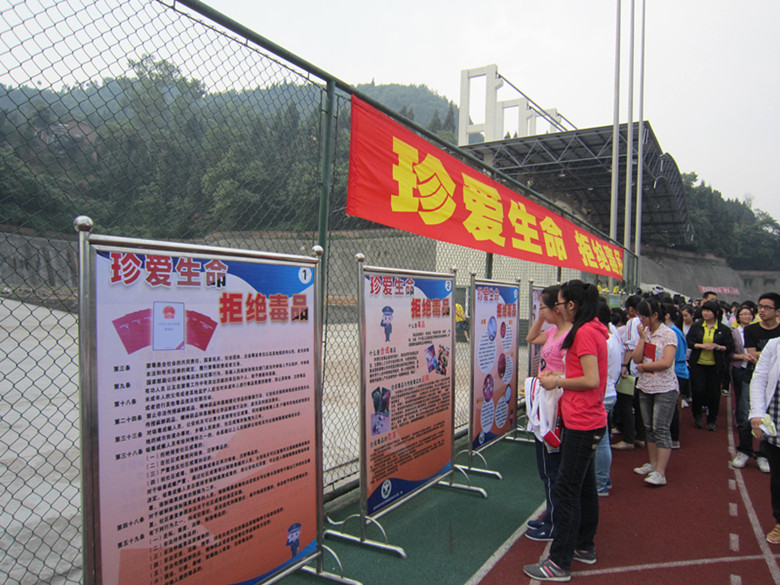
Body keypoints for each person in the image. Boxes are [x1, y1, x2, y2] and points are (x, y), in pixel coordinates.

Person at [523, 280, 608, 582]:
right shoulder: (592, 329)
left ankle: (559, 562)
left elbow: (591, 379)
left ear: (571, 305)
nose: (555, 309)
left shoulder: (583, 333)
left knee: (567, 488)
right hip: (587, 418)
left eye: (557, 304)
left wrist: (557, 381)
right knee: (583, 486)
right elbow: (583, 373)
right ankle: (584, 544)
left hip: (582, 420)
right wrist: (558, 374)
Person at [524, 285, 571, 541]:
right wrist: (541, 318)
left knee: (552, 466)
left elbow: (573, 372)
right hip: (543, 399)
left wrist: (556, 377)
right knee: (545, 466)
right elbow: (531, 338)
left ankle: (554, 522)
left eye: (543, 307)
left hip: (556, 404)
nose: (540, 311)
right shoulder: (553, 331)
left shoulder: (570, 335)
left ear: (557, 307)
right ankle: (551, 514)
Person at [631, 299, 679, 486]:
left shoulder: (668, 334)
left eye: (643, 316)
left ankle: (660, 471)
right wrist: (642, 338)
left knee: (661, 428)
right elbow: (636, 358)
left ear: (655, 315)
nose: (641, 320)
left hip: (664, 387)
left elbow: (667, 362)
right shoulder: (646, 333)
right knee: (649, 427)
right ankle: (652, 464)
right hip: (646, 385)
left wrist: (645, 367)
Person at [740, 292, 780, 472]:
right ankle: (745, 450)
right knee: (747, 416)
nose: (762, 310)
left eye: (767, 307)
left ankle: (763, 455)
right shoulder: (754, 331)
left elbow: (757, 354)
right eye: (760, 307)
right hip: (752, 375)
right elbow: (751, 354)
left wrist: (760, 355)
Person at [748, 337, 780, 544]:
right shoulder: (774, 345)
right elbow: (759, 378)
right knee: (778, 477)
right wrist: (757, 414)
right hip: (777, 419)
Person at [686, 300, 734, 431]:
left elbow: (729, 347)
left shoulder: (723, 329)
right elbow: (689, 342)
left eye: (708, 311)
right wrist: (701, 346)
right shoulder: (697, 326)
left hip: (715, 365)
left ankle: (712, 419)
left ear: (716, 313)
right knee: (698, 390)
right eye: (704, 310)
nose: (705, 313)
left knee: (714, 393)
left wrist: (717, 347)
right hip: (698, 363)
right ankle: (697, 415)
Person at [594, 298, 622, 496]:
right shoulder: (611, 334)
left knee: (600, 441)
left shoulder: (603, 339)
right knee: (601, 439)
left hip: (603, 394)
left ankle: (601, 482)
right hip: (609, 391)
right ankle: (604, 479)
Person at [612, 295, 645, 450]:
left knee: (625, 402)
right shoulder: (646, 322)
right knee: (639, 404)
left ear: (631, 309)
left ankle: (629, 438)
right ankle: (641, 437)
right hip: (643, 366)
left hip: (633, 367)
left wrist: (624, 365)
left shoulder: (633, 322)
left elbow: (630, 346)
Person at [730, 305, 758, 469]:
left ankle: (763, 453)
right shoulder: (737, 332)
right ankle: (745, 449)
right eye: (743, 314)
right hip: (742, 370)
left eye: (749, 314)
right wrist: (743, 356)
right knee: (743, 406)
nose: (747, 316)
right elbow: (731, 352)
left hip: (761, 373)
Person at [663, 302, 688, 449]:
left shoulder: (672, 332)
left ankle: (673, 438)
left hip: (676, 371)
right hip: (678, 370)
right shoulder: (674, 330)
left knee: (671, 407)